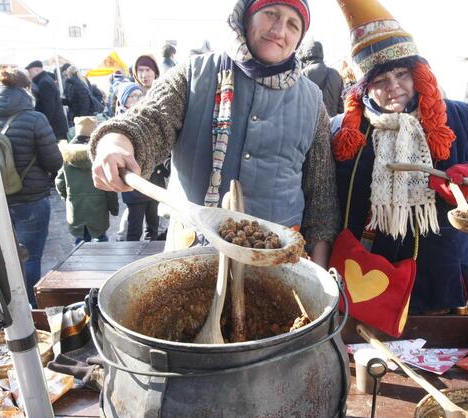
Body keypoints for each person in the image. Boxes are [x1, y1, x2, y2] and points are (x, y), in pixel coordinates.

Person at [90, 0, 339, 266]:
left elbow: (321, 193)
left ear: (300, 38)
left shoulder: (312, 100)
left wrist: (320, 271)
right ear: (246, 17)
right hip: (193, 255)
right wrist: (114, 143)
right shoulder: (194, 74)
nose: (279, 30)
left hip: (277, 262)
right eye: (271, 14)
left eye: (293, 24)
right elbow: (146, 122)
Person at [330, 0, 468, 317]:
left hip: (447, 280)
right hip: (371, 280)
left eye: (402, 74)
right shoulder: (346, 131)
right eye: (380, 81)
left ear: (418, 72)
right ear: (364, 87)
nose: (394, 88)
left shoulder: (462, 117)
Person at [0, 68, 62, 306]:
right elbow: (54, 161)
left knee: (2, 256)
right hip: (31, 197)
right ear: (25, 88)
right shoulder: (34, 119)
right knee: (29, 256)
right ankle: (30, 307)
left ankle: (6, 304)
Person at [112, 81, 164, 241]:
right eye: (131, 96)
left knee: (153, 227)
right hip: (134, 188)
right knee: (134, 230)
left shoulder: (149, 118)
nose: (136, 99)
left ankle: (153, 258)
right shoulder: (118, 123)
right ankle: (133, 259)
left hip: (154, 184)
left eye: (138, 95)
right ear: (123, 100)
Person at [57, 116, 118, 243]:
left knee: (80, 242)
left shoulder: (66, 157)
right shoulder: (99, 154)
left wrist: (68, 198)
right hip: (98, 208)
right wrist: (113, 207)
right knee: (101, 240)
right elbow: (109, 186)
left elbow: (60, 183)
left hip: (76, 207)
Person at [299, 39, 344, 117]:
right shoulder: (335, 73)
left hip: (313, 125)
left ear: (306, 55)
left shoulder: (302, 75)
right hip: (334, 124)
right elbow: (341, 105)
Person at [26, 60, 68, 141]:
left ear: (36, 70)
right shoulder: (46, 80)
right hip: (57, 125)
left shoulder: (44, 83)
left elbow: (49, 108)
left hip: (54, 127)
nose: (29, 75)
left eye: (30, 72)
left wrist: (44, 125)